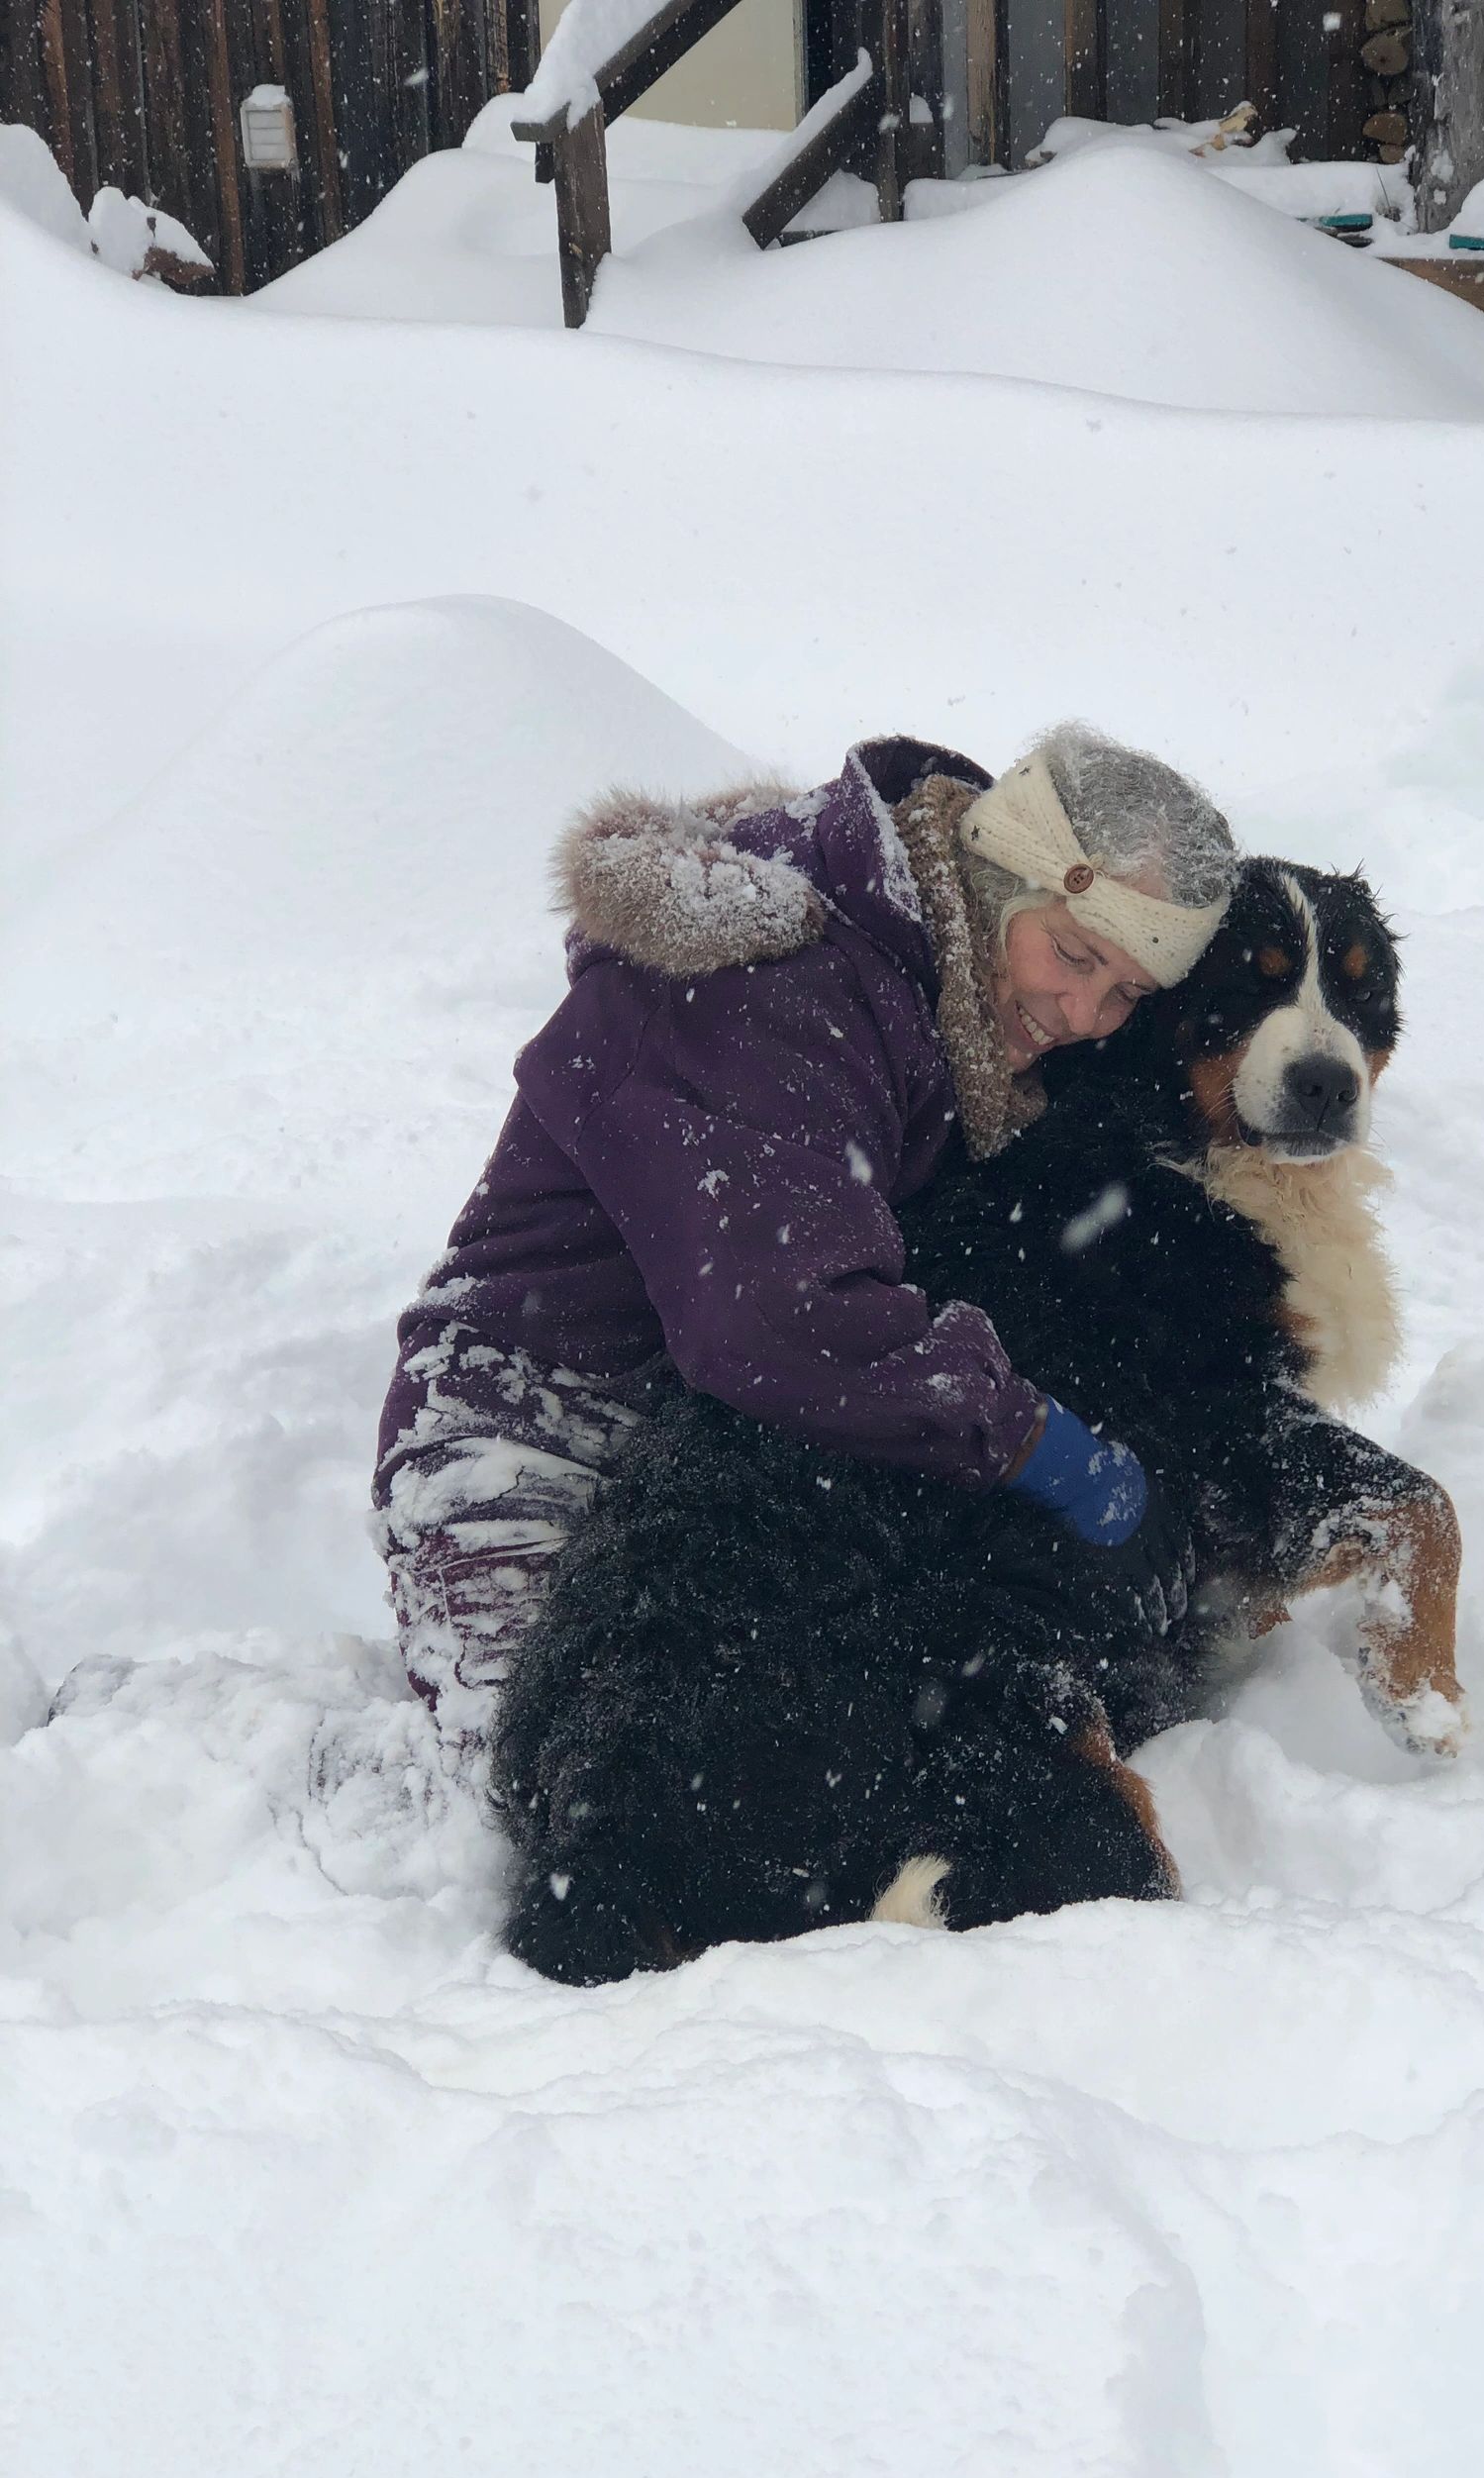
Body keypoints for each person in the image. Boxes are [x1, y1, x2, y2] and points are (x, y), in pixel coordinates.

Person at [371, 724, 1237, 1746]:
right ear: (1004, 876)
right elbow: (778, 1317)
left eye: (1127, 991)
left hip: (725, 1460)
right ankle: (302, 1802)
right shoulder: (781, 986)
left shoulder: (939, 989)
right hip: (526, 1432)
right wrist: (1039, 1444)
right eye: (1076, 952)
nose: (1085, 1009)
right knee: (579, 1782)